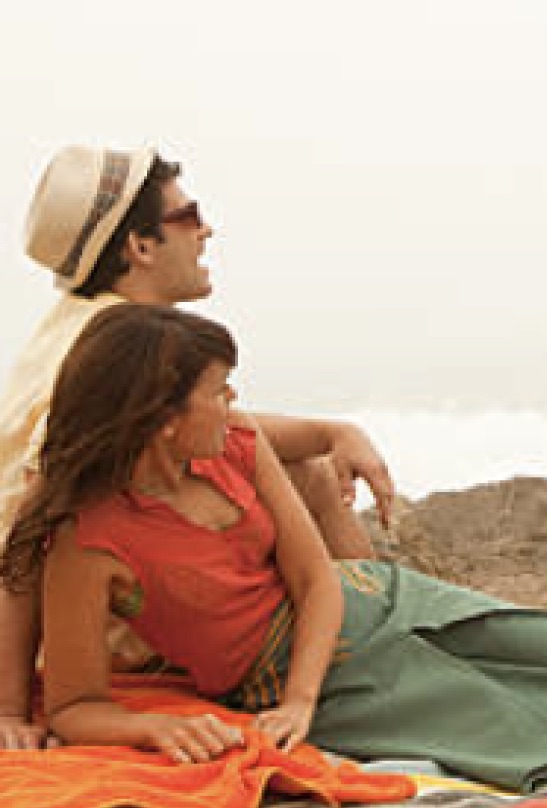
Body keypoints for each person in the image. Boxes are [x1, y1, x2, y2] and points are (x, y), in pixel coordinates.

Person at [0, 303, 547, 790]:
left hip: (372, 605)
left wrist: (299, 700)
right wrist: (154, 726)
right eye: (221, 389)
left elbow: (318, 579)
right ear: (164, 416)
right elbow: (75, 704)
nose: (237, 403)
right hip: (306, 676)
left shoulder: (235, 445)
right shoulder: (91, 538)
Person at [0, 145, 396, 749]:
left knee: (302, 469)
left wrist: (331, 431)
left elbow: (221, 426)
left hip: (114, 583)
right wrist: (10, 707)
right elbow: (32, 523)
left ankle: (350, 636)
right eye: (190, 216)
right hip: (87, 607)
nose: (207, 230)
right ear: (140, 246)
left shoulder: (103, 331)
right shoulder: (90, 357)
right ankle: (356, 665)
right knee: (305, 480)